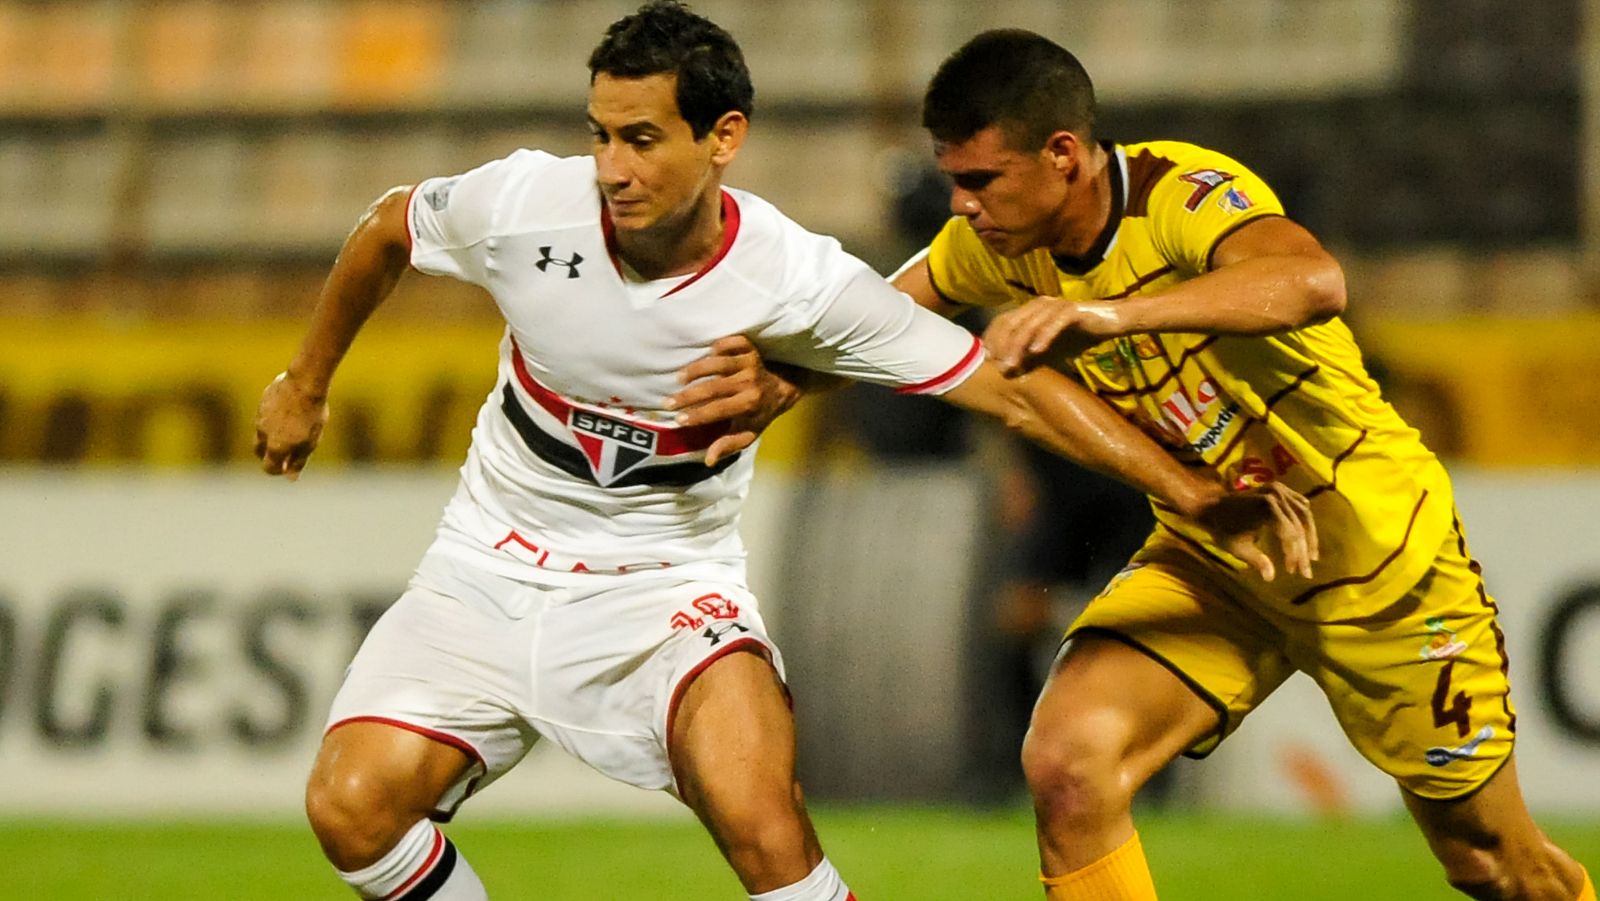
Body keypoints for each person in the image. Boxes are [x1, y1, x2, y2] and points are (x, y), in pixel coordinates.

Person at [252, 6, 1315, 901]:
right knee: (352, 811)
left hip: (661, 583)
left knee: (764, 827)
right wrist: (306, 384)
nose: (611, 169)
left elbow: (1009, 384)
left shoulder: (796, 282)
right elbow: (390, 226)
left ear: (723, 137)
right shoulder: (525, 204)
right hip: (486, 559)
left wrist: (1188, 489)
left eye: (642, 139)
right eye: (600, 135)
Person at [670, 28, 1594, 901]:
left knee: (1489, 861)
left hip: (1371, 553)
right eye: (954, 181)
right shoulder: (995, 246)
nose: (962, 205)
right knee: (1070, 764)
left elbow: (1313, 282)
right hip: (1217, 551)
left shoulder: (1180, 196)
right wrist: (776, 378)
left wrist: (1109, 315)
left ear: (1063, 155)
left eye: (983, 179)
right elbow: (876, 323)